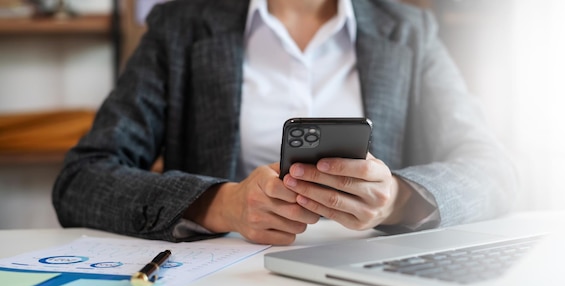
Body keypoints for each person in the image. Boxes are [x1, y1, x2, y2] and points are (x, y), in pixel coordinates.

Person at [52, 0, 517, 245]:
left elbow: (494, 171)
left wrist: (396, 200)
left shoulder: (410, 31)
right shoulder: (180, 27)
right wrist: (224, 204)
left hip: (370, 285)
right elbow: (81, 181)